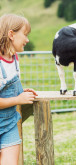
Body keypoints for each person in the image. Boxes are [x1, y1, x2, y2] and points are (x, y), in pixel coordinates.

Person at [0, 14, 37, 165]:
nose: (27, 40)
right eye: (25, 34)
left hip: (9, 124)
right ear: (11, 34)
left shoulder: (14, 59)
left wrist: (21, 92)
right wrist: (17, 100)